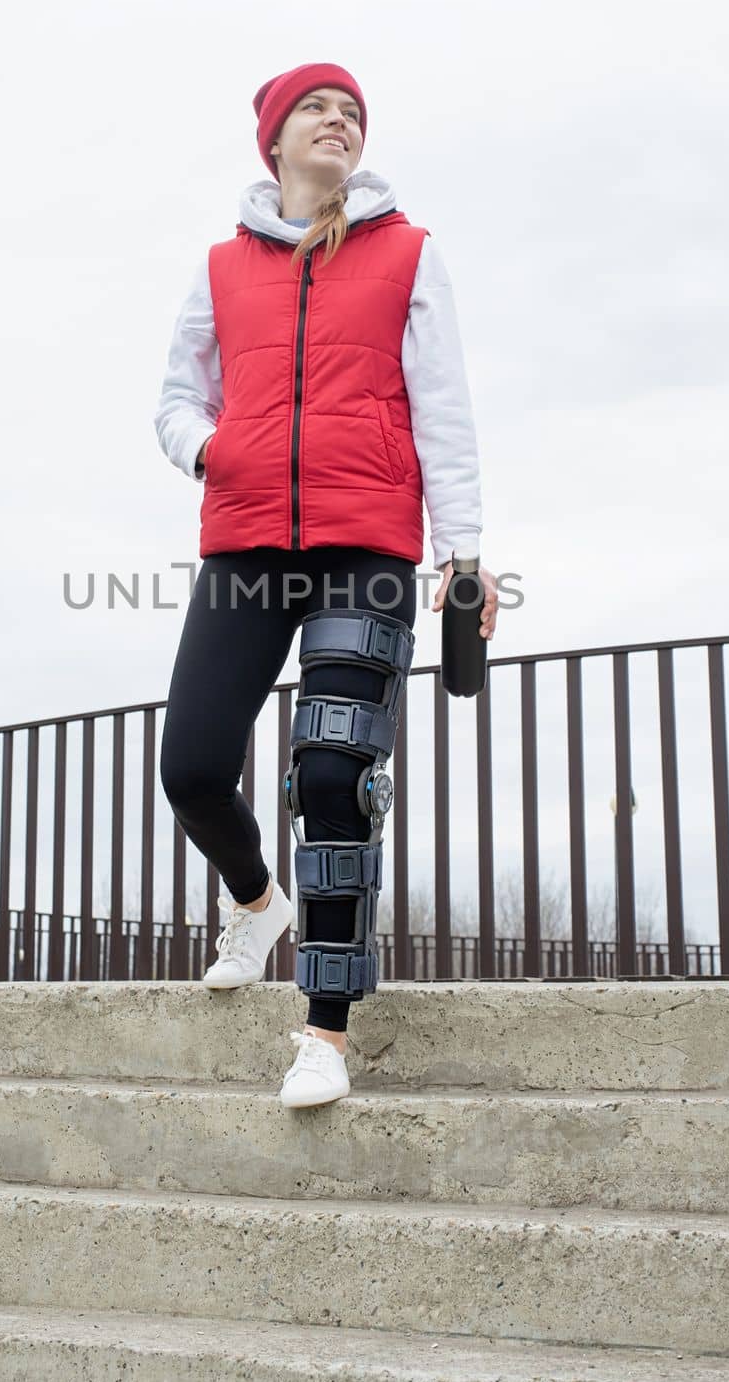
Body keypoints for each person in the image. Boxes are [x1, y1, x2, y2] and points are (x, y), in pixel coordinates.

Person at [154, 61, 498, 1109]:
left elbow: (444, 406)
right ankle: (257, 902)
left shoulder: (407, 254)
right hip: (248, 539)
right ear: (274, 140)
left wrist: (466, 553)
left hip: (369, 544)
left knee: (337, 776)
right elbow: (174, 399)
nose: (338, 121)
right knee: (195, 766)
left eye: (351, 111)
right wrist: (213, 450)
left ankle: (325, 1030)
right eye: (317, 107)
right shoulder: (220, 268)